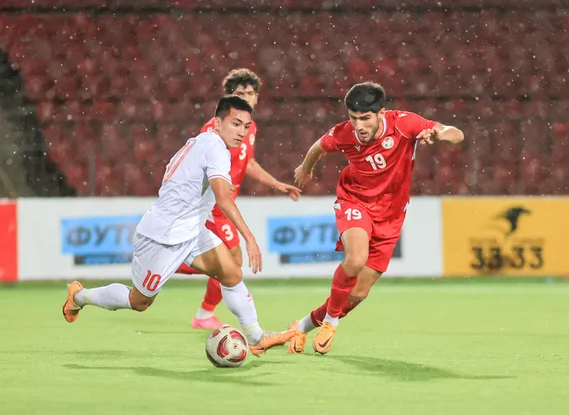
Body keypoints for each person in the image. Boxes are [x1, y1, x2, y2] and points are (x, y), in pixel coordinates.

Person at [62, 95, 294, 356]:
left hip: (192, 229)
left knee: (231, 273)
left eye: (246, 126)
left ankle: (256, 337)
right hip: (164, 236)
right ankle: (79, 297)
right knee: (139, 301)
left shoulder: (200, 142)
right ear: (217, 124)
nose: (241, 132)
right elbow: (222, 197)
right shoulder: (215, 147)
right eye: (235, 124)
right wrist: (250, 237)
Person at [288, 82, 464, 354]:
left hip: (391, 214)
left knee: (357, 293)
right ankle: (331, 323)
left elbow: (456, 134)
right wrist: (305, 167)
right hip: (355, 200)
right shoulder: (344, 133)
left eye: (366, 118)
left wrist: (439, 134)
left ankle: (300, 327)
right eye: (353, 118)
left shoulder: (405, 124)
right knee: (356, 259)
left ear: (382, 113)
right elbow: (317, 147)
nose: (359, 125)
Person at [175, 68, 302, 330]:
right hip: (211, 204)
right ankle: (179, 275)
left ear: (257, 97)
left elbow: (249, 163)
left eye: (250, 93)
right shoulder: (214, 128)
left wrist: (276, 183)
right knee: (232, 263)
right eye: (239, 93)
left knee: (232, 263)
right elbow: (199, 162)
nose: (246, 97)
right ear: (229, 97)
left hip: (223, 204)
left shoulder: (248, 126)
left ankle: (202, 311)